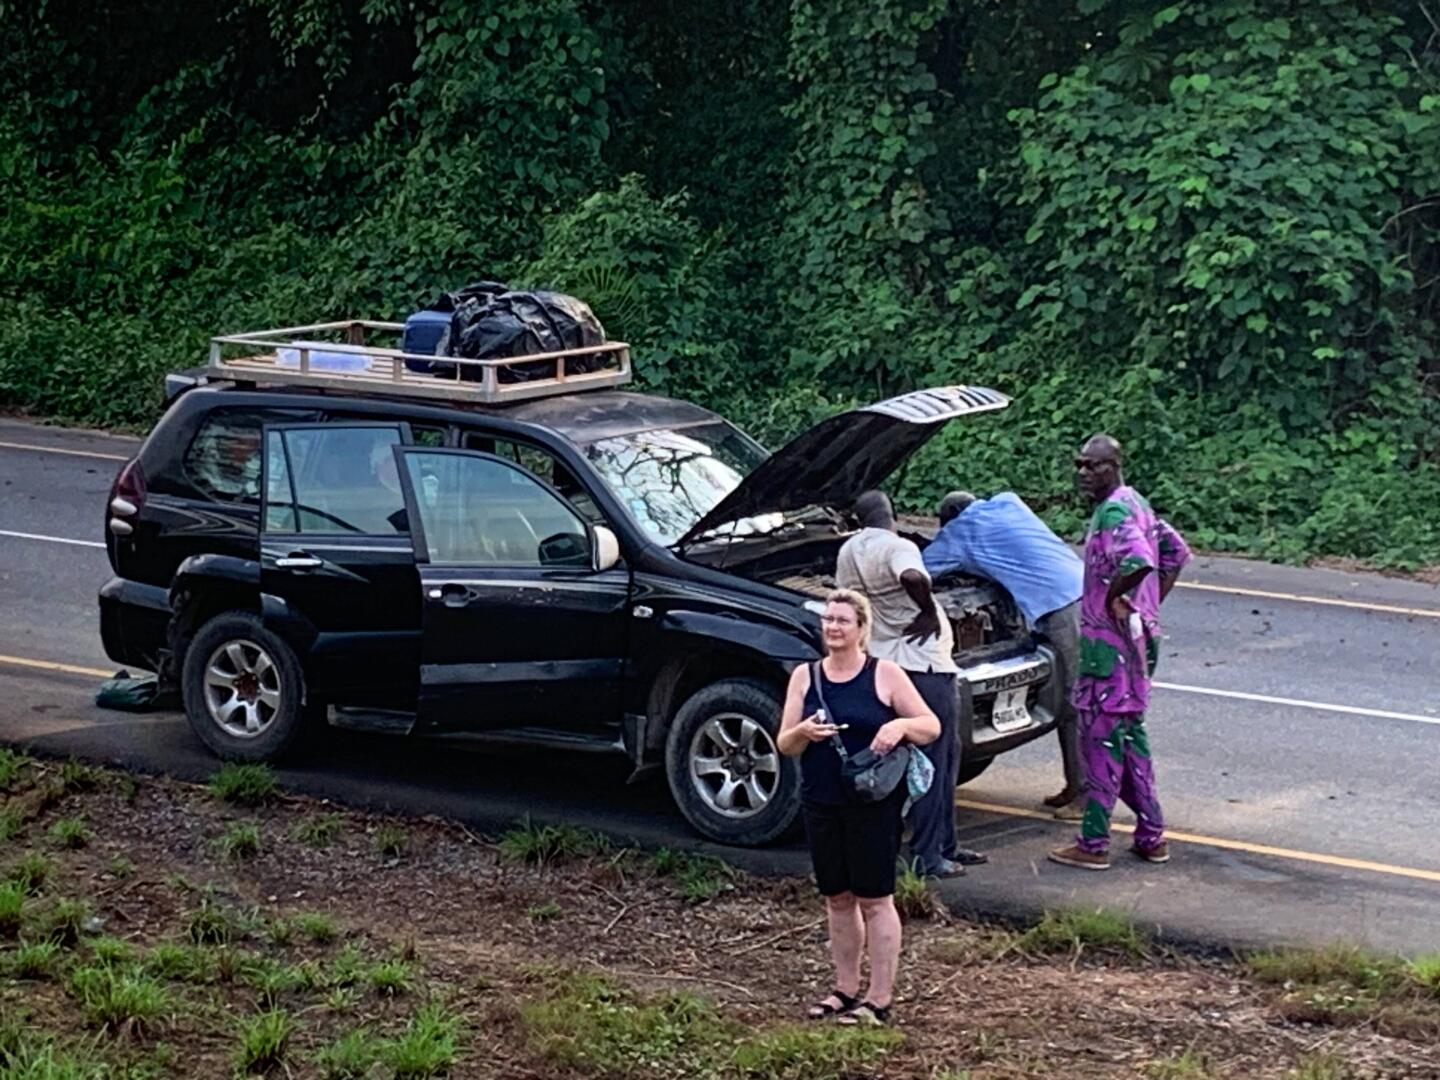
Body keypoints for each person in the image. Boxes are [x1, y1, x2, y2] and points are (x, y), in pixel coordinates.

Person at [777, 589, 940, 1027]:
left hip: (872, 805)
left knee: (874, 899)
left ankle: (879, 997)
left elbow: (930, 726)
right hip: (821, 800)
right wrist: (805, 732)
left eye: (842, 621)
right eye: (828, 619)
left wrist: (899, 725)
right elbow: (784, 742)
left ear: (862, 629)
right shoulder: (805, 677)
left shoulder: (884, 675)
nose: (832, 627)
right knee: (837, 898)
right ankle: (845, 988)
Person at [1048, 435, 1191, 871]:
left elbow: (1139, 561)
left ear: (1114, 466)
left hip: (1109, 650)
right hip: (1135, 643)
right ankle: (1152, 836)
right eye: (1079, 464)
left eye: (1093, 466)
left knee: (1101, 742)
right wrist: (1147, 606)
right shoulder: (1137, 503)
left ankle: (1093, 843)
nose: (1083, 474)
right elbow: (1176, 552)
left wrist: (1116, 599)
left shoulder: (1113, 511)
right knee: (1131, 741)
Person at [835, 490, 987, 878]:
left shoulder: (848, 552)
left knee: (912, 760)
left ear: (856, 521)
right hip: (925, 667)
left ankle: (943, 844)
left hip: (886, 664)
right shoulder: (897, 545)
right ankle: (929, 855)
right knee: (937, 760)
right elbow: (913, 575)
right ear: (893, 515)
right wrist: (925, 610)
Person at [923, 490, 1086, 819]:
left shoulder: (959, 533)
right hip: (1085, 588)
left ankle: (1083, 795)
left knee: (1073, 704)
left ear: (948, 519)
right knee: (1079, 700)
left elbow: (920, 571)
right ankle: (1074, 785)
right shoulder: (1009, 501)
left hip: (1061, 607)